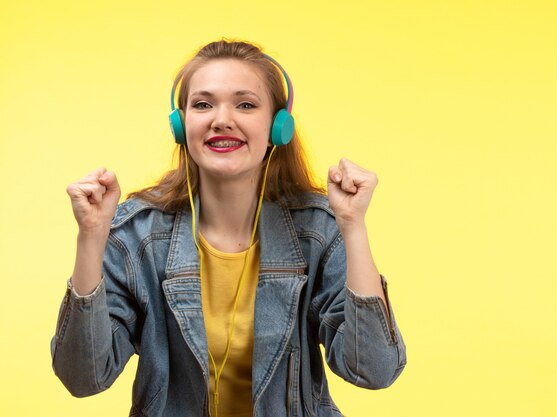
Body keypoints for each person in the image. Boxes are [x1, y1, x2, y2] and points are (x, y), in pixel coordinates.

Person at [51, 39, 406, 417]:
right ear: (180, 124)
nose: (222, 119)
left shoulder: (317, 230)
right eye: (203, 104)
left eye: (246, 104)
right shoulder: (137, 236)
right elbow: (83, 378)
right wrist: (91, 237)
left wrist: (352, 227)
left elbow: (374, 370)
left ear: (278, 126)